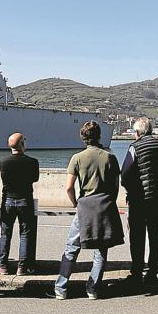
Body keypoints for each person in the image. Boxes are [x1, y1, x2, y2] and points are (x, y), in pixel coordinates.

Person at [50, 121, 123, 300]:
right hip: (104, 207)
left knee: (71, 248)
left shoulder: (77, 158)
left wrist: (76, 203)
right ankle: (93, 288)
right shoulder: (109, 157)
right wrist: (108, 200)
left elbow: (68, 187)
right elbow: (115, 186)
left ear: (83, 137)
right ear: (99, 136)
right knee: (100, 251)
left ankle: (61, 288)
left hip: (84, 208)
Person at [120, 117, 158, 285]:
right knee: (155, 234)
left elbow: (125, 173)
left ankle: (137, 272)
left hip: (138, 199)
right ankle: (153, 271)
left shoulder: (134, 147)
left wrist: (131, 190)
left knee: (137, 236)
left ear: (137, 132)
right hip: (155, 198)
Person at [0, 133, 40, 276]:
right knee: (25, 234)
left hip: (8, 200)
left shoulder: (3, 161)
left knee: (5, 234)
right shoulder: (32, 162)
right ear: (22, 144)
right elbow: (35, 178)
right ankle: (22, 267)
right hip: (25, 200)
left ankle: (2, 266)